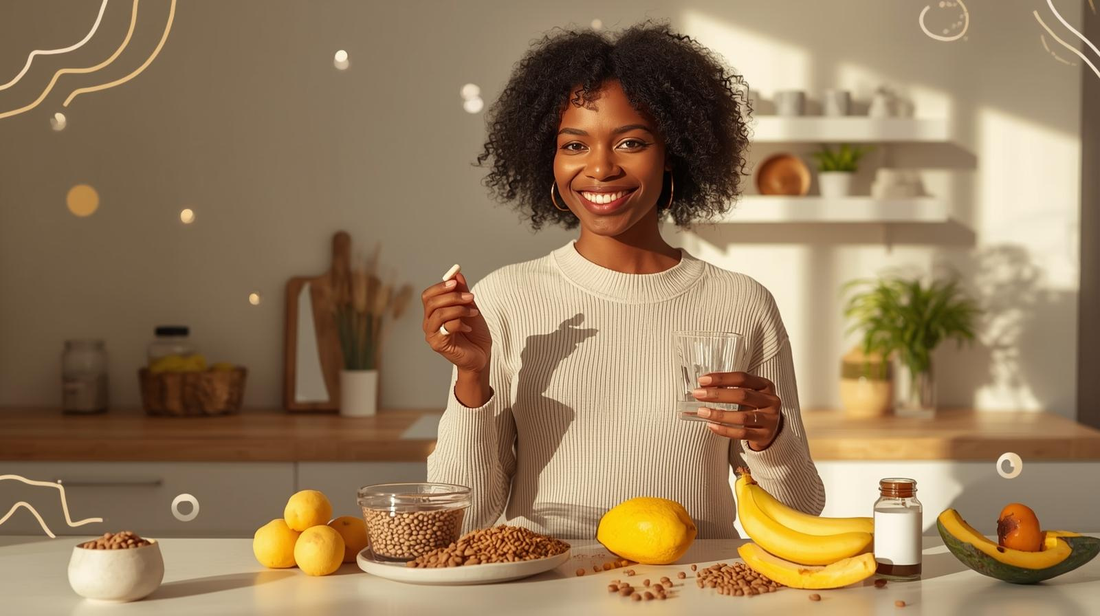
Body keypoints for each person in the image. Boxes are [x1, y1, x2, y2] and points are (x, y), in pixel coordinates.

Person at [422, 23, 824, 539]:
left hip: (694, 591)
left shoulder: (740, 304)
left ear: (673, 153)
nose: (600, 167)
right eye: (574, 144)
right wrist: (472, 381)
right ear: (550, 160)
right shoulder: (505, 299)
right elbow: (463, 522)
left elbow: (803, 514)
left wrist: (771, 440)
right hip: (550, 590)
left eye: (631, 142)